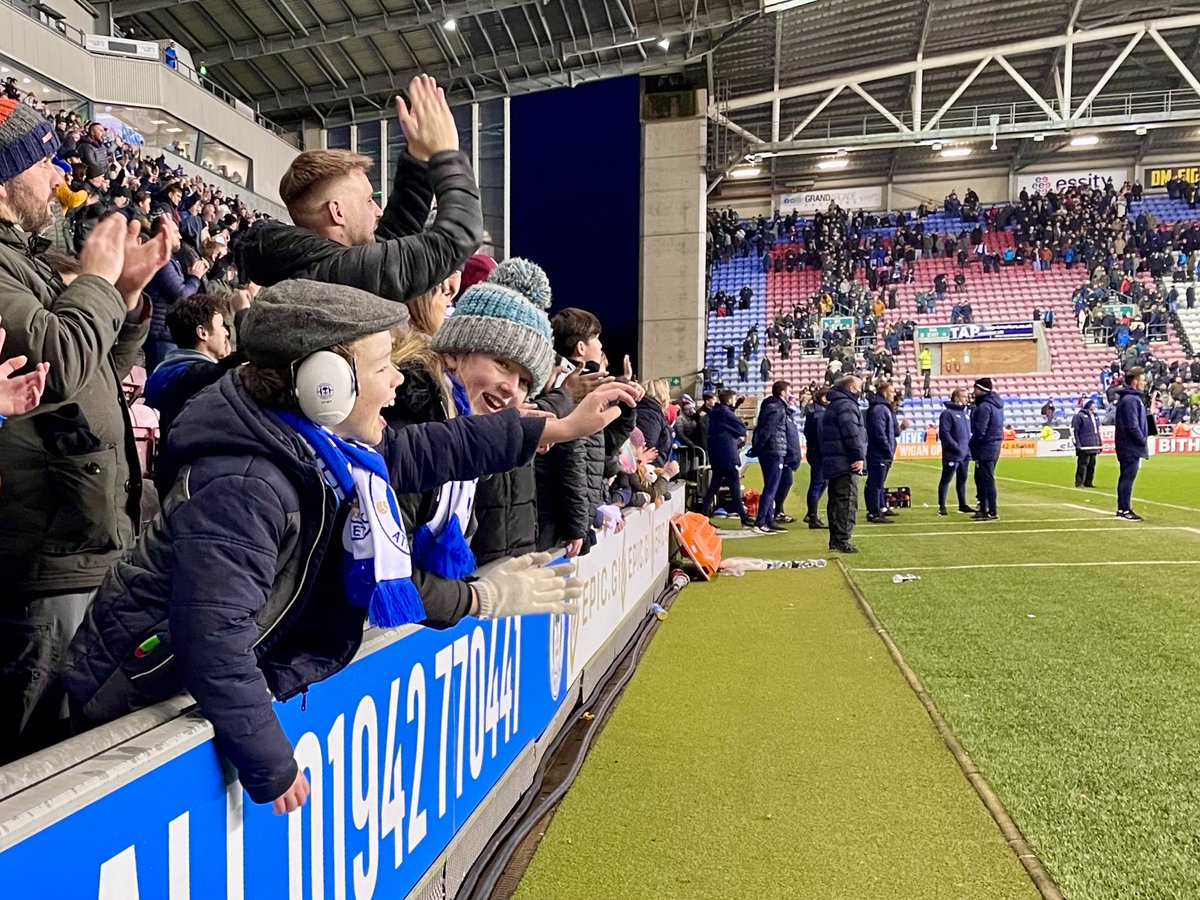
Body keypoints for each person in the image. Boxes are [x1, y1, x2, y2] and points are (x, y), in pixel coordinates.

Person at [61, 279, 635, 810]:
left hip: (164, 691)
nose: (396, 383)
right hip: (123, 702)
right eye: (384, 368)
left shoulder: (319, 444)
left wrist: (554, 430)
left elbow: (433, 448)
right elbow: (212, 636)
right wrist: (270, 762)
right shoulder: (247, 482)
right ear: (323, 384)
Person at [0, 96, 173, 760]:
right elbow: (59, 358)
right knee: (38, 760)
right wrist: (98, 281)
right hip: (40, 557)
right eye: (43, 160)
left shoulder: (31, 259)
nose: (59, 175)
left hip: (79, 546)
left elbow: (92, 376)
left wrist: (125, 300)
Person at [237, 75, 481, 307]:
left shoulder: (312, 265)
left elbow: (390, 240)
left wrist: (419, 160)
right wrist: (445, 154)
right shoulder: (332, 276)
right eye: (367, 201)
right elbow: (456, 238)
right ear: (337, 212)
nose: (377, 210)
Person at [820, 375, 867, 553]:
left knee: (836, 501)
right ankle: (842, 540)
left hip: (835, 459)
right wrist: (858, 456)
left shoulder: (836, 404)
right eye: (859, 386)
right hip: (844, 461)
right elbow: (852, 434)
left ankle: (836, 539)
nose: (862, 389)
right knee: (847, 501)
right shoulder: (847, 406)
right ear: (852, 388)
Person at [701, 389, 752, 528]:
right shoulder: (724, 413)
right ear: (729, 400)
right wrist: (737, 436)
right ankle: (744, 517)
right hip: (727, 455)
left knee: (714, 487)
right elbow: (741, 428)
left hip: (717, 455)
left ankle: (704, 516)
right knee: (734, 488)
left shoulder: (716, 412)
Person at [749, 380, 790, 534]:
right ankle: (760, 522)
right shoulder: (776, 408)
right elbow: (767, 430)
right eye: (788, 391)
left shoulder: (771, 407)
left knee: (771, 486)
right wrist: (758, 447)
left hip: (772, 450)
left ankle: (768, 519)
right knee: (771, 487)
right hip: (773, 451)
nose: (790, 394)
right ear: (782, 392)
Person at [1114, 368, 1149, 520]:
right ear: (1135, 382)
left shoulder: (1130, 399)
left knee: (1126, 477)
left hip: (1127, 445)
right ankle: (1124, 508)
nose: (1145, 383)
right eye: (1142, 380)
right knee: (1128, 477)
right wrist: (1141, 439)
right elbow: (1132, 425)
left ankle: (1123, 508)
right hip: (1130, 446)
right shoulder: (1131, 400)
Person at [968, 377, 1004, 520]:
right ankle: (985, 508)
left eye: (976, 389)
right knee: (984, 478)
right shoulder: (996, 406)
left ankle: (989, 510)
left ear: (982, 390)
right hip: (993, 445)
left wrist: (973, 445)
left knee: (986, 479)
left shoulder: (984, 407)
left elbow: (980, 430)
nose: (974, 392)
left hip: (986, 447)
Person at [864, 380, 898, 523]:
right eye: (892, 391)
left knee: (878, 483)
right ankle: (874, 512)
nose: (894, 394)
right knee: (875, 483)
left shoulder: (883, 408)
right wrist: (887, 450)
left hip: (879, 453)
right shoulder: (879, 409)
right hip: (878, 454)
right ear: (885, 393)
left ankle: (877, 509)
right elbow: (879, 433)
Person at [937, 387, 973, 515]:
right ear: (957, 397)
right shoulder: (947, 413)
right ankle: (942, 506)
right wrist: (955, 447)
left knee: (962, 480)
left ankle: (962, 504)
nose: (967, 399)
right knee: (946, 479)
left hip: (964, 455)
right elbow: (944, 434)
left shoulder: (965, 414)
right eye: (964, 397)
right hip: (952, 454)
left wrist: (968, 450)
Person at [802, 388, 829, 528]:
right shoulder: (820, 414)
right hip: (819, 453)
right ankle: (812, 516)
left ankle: (811, 513)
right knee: (818, 483)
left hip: (814, 451)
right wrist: (825, 452)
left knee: (823, 482)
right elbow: (820, 436)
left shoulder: (813, 412)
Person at [773, 401, 801, 526]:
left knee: (785, 482)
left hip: (788, 455)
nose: (794, 402)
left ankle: (778, 510)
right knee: (780, 483)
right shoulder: (783, 416)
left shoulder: (790, 417)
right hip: (784, 455)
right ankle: (776, 511)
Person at [1070, 398, 1102, 489]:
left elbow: (1098, 431)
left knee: (1092, 464)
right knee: (1083, 464)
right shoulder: (1079, 416)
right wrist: (1077, 444)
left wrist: (1099, 443)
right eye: (1092, 403)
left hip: (1094, 443)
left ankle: (1089, 482)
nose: (1094, 405)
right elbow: (1074, 431)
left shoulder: (1095, 416)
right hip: (1084, 444)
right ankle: (1079, 482)